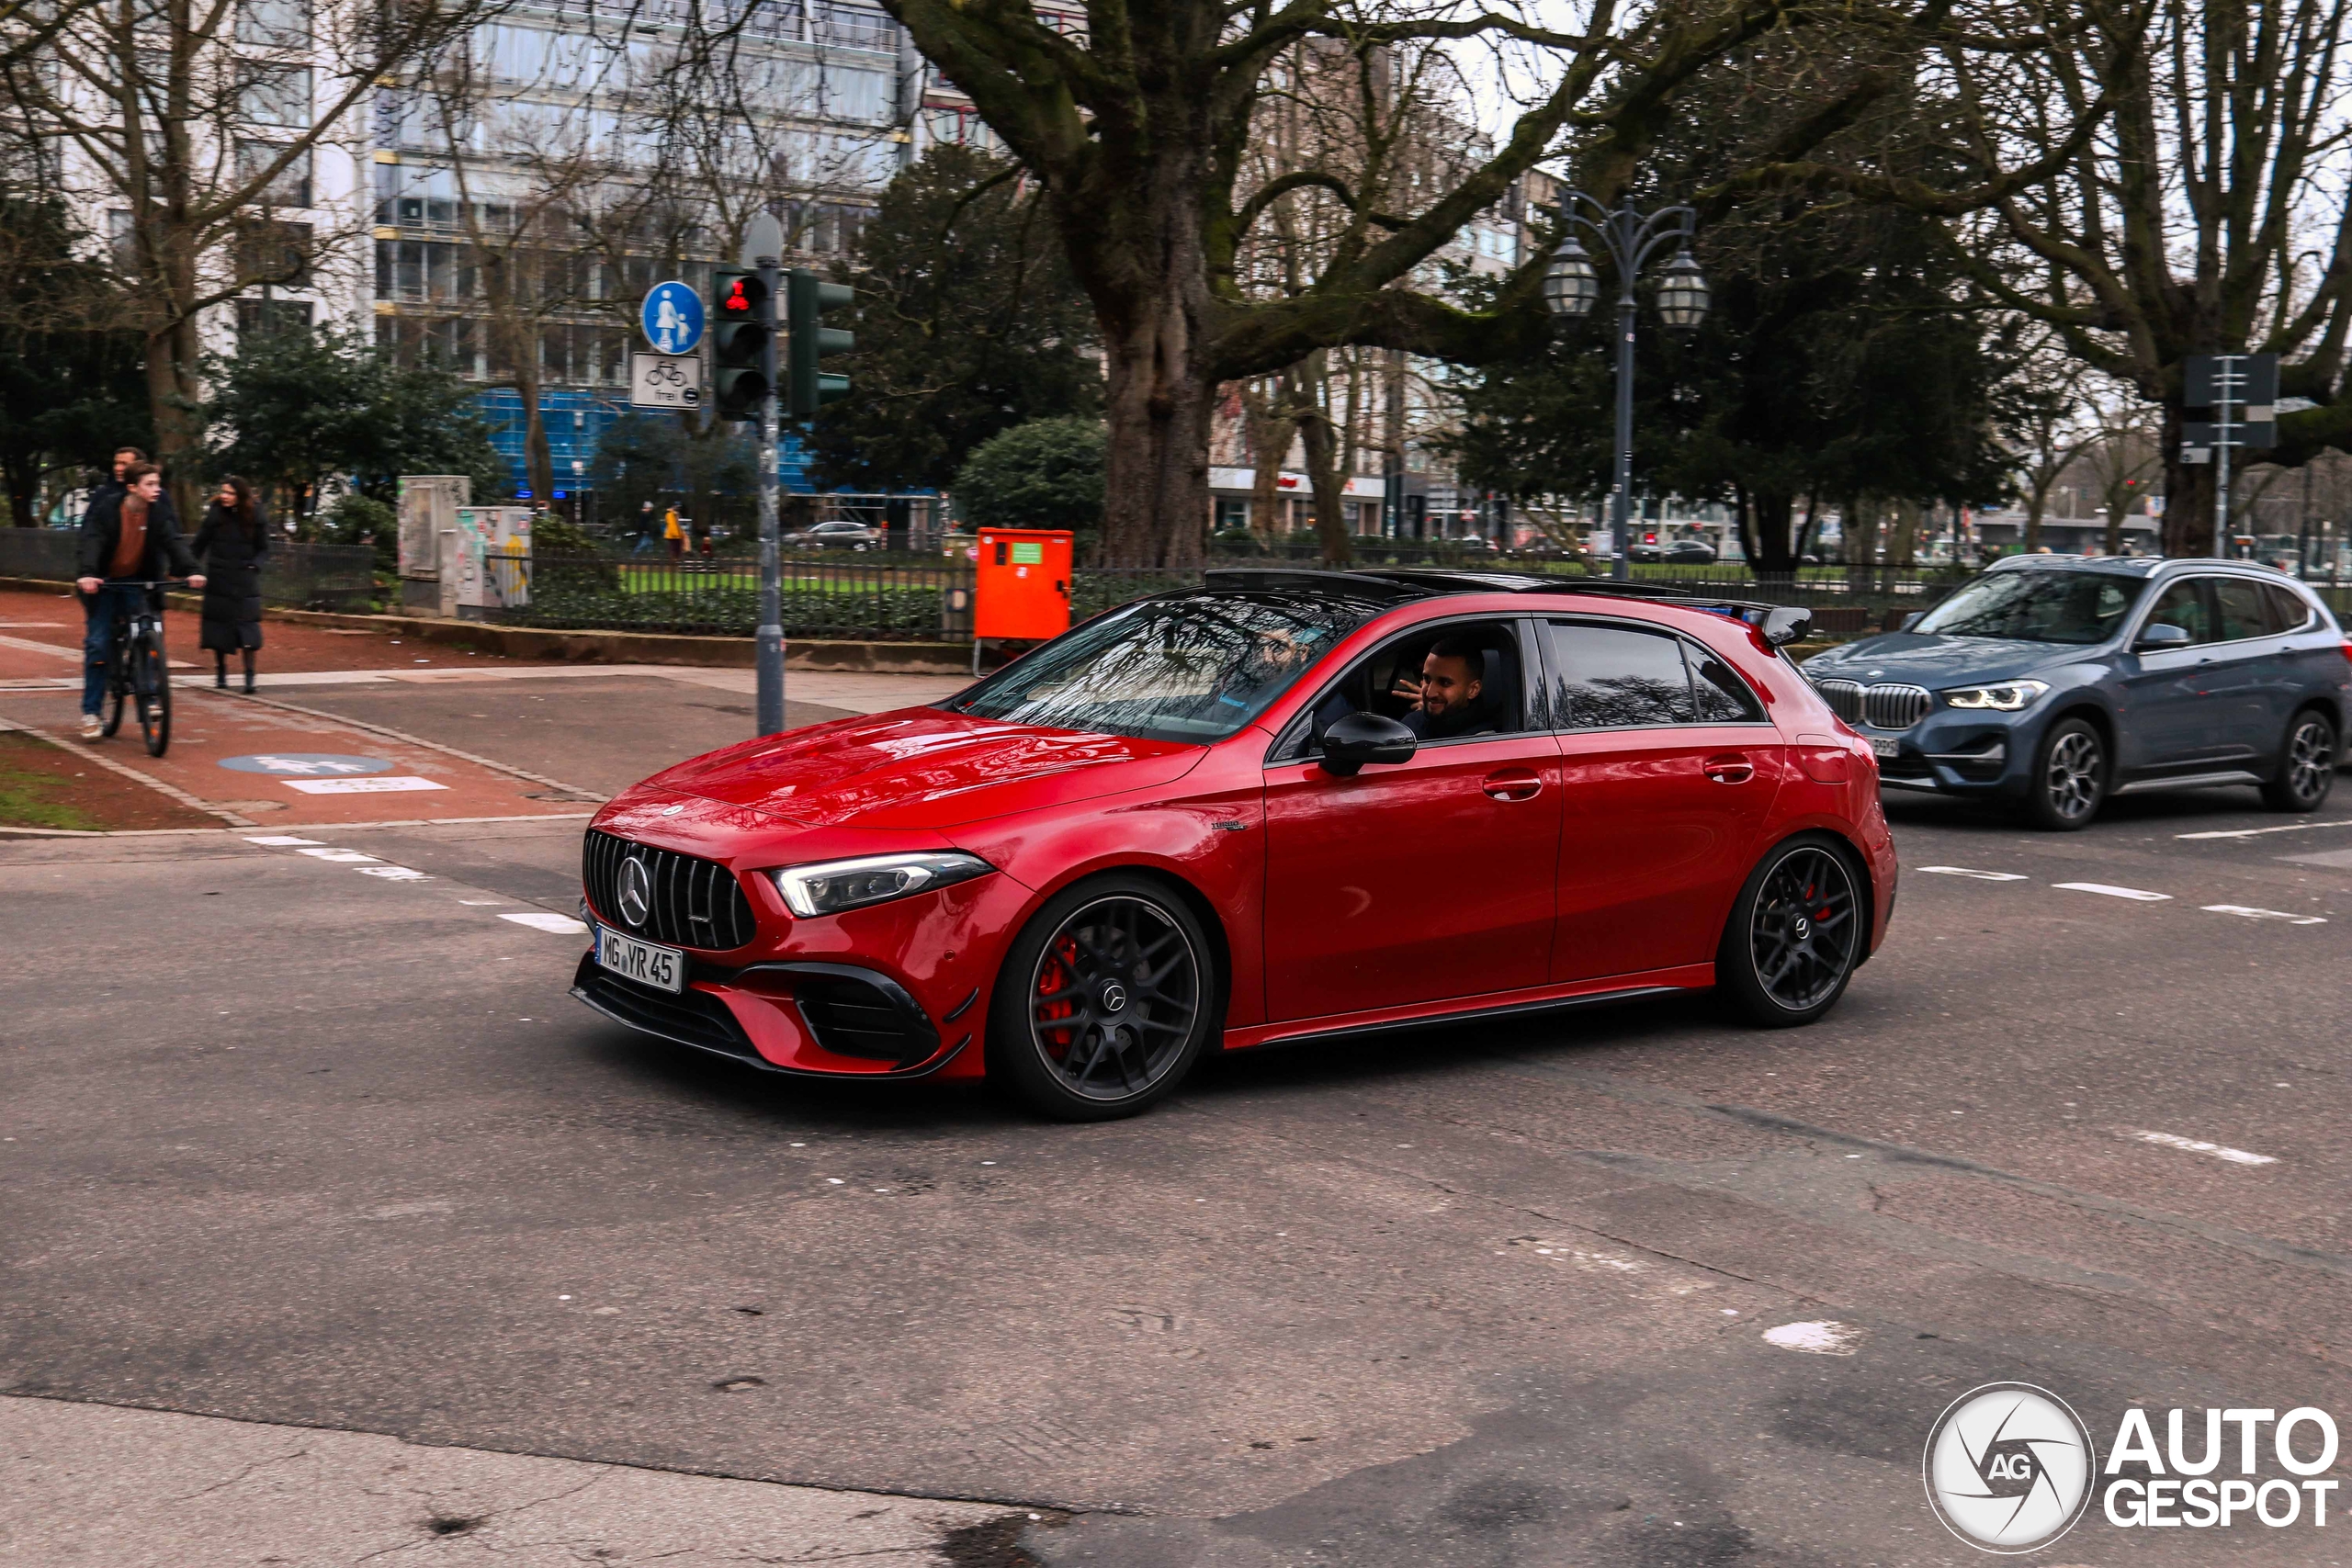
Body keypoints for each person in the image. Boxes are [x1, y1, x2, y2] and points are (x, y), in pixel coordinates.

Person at [74, 462, 202, 740]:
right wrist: (88, 574)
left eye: (158, 484)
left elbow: (174, 541)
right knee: (98, 644)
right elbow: (92, 542)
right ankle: (91, 713)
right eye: (150, 484)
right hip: (104, 583)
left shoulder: (158, 513)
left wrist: (191, 569)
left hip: (139, 582)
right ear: (132, 487)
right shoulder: (108, 509)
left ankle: (152, 696)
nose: (157, 490)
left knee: (149, 632)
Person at [192, 475, 269, 693]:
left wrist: (255, 565)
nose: (225, 496)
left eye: (230, 493)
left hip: (245, 578)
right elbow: (200, 542)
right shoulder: (216, 512)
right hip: (219, 577)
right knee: (219, 626)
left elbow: (264, 547)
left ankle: (249, 675)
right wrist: (188, 567)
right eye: (223, 491)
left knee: (248, 627)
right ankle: (221, 671)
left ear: (241, 495)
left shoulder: (255, 513)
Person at [1392, 637, 1496, 739]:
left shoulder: (1483, 741)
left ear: (1473, 690)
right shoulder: (1412, 723)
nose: (1429, 693)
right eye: (1427, 679)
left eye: (1445, 683)